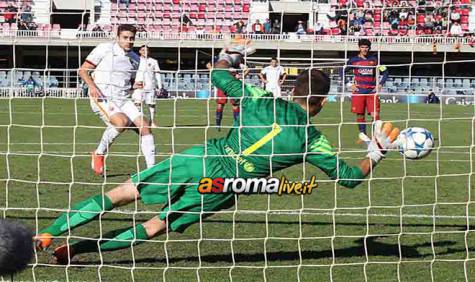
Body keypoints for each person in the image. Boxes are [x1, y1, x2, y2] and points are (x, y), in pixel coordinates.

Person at [34, 41, 400, 264]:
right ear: (321, 102)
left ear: (291, 88)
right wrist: (377, 152)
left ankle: (50, 232)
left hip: (204, 157)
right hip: (227, 185)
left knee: (121, 193)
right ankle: (79, 250)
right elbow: (350, 179)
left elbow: (219, 75)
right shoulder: (313, 139)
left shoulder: (261, 98)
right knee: (156, 224)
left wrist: (231, 54)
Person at [80, 24, 156, 176]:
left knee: (145, 126)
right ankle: (99, 153)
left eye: (131, 38)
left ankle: (152, 170)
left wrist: (134, 86)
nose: (128, 41)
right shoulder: (104, 48)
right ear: (117, 38)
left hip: (122, 98)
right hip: (102, 96)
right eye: (125, 38)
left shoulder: (135, 59)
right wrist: (92, 87)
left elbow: (128, 84)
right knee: (121, 123)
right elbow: (83, 70)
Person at [345, 39, 388, 140]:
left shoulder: (375, 60)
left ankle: (376, 136)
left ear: (369, 48)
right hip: (359, 92)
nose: (364, 49)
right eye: (362, 47)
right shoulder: (353, 60)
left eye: (366, 47)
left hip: (371, 91)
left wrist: (381, 84)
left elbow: (385, 72)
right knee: (360, 114)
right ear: (359, 48)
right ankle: (363, 135)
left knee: (375, 114)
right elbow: (342, 71)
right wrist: (349, 84)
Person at [132, 45, 162, 127]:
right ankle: (140, 122)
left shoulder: (153, 61)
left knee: (152, 104)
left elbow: (157, 74)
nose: (145, 52)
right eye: (143, 50)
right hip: (138, 86)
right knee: (138, 104)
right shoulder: (135, 61)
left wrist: (160, 86)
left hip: (150, 86)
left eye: (146, 50)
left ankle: (152, 122)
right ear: (140, 51)